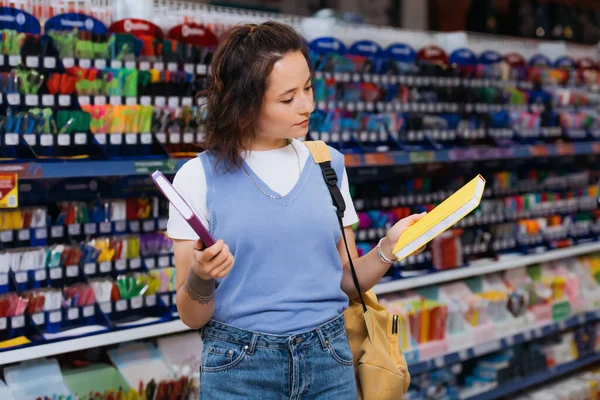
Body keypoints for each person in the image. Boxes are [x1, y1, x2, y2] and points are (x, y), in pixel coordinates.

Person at [167, 21, 425, 400]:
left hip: (329, 358)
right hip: (239, 369)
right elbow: (192, 315)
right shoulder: (197, 177)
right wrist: (202, 276)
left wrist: (389, 248)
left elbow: (344, 281)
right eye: (287, 99)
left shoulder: (328, 165)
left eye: (307, 88)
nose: (307, 105)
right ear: (245, 102)